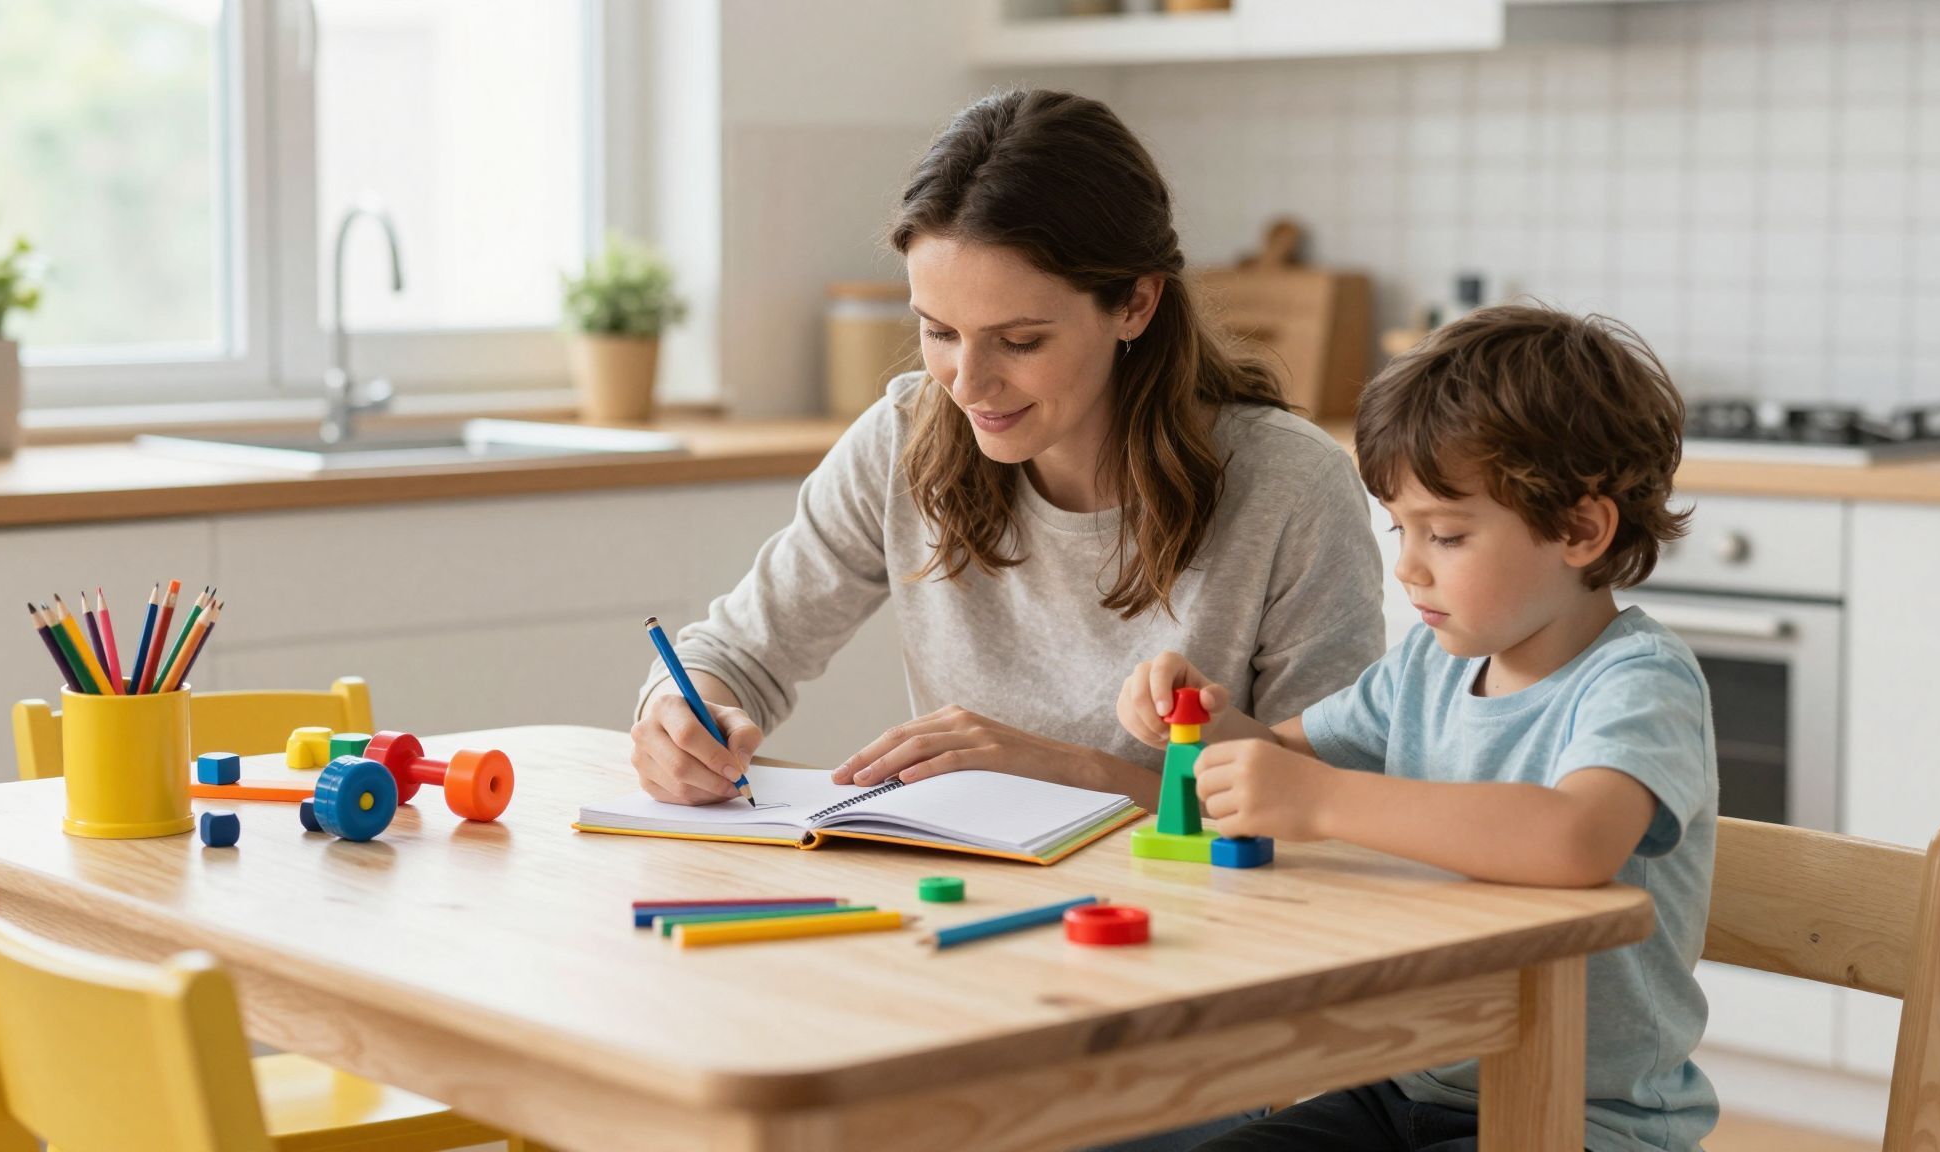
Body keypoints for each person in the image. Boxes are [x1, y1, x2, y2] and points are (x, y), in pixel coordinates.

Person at [630, 88, 1383, 818]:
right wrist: (682, 716)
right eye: (939, 332)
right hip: (972, 904)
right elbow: (734, 656)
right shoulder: (903, 438)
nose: (968, 384)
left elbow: (1338, 801)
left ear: (1136, 304)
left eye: (1020, 341)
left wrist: (1076, 773)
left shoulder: (1290, 486)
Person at [1119, 304, 1719, 1152]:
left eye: (1447, 533)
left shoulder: (1637, 683)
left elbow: (1576, 840)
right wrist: (1195, 723)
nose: (1406, 563)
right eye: (1401, 527)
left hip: (1579, 1121)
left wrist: (1323, 801)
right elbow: (1274, 762)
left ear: (1581, 530)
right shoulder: (1427, 668)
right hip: (1396, 1084)